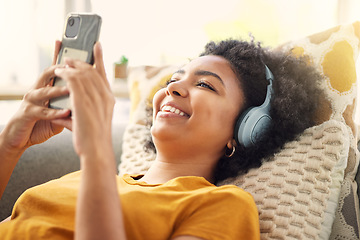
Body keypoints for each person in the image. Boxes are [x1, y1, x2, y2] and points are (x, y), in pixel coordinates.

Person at [0, 38, 322, 240]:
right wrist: (10, 146)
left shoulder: (222, 206)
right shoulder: (81, 178)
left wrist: (96, 150)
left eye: (206, 85)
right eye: (173, 80)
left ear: (245, 129)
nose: (172, 89)